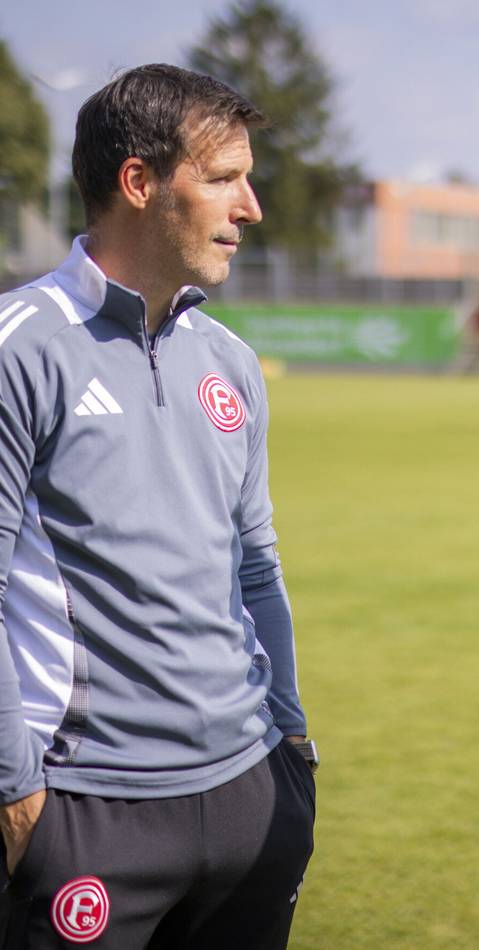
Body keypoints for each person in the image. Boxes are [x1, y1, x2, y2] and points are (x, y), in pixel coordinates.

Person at [0, 64, 316, 948]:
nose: (250, 207)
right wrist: (20, 802)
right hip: (87, 813)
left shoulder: (230, 362)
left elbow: (257, 564)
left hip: (253, 792)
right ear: (138, 183)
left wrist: (291, 747)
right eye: (223, 180)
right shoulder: (21, 353)